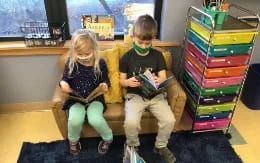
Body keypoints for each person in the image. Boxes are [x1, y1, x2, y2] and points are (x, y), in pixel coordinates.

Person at [119, 15, 176, 163]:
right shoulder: (126, 58)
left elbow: (163, 76)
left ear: (153, 39)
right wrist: (127, 82)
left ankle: (160, 146)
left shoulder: (158, 55)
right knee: (131, 122)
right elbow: (121, 81)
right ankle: (132, 146)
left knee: (169, 119)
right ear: (133, 37)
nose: (144, 46)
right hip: (135, 96)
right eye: (140, 42)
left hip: (155, 94)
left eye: (147, 43)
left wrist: (159, 80)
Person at [59, 29, 113, 156]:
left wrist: (105, 85)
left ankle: (108, 137)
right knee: (74, 120)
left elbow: (106, 79)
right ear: (74, 51)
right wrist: (64, 84)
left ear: (94, 49)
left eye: (87, 54)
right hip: (76, 100)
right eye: (80, 54)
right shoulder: (71, 62)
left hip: (95, 99)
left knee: (95, 119)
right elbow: (65, 79)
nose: (83, 57)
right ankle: (73, 141)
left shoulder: (100, 62)